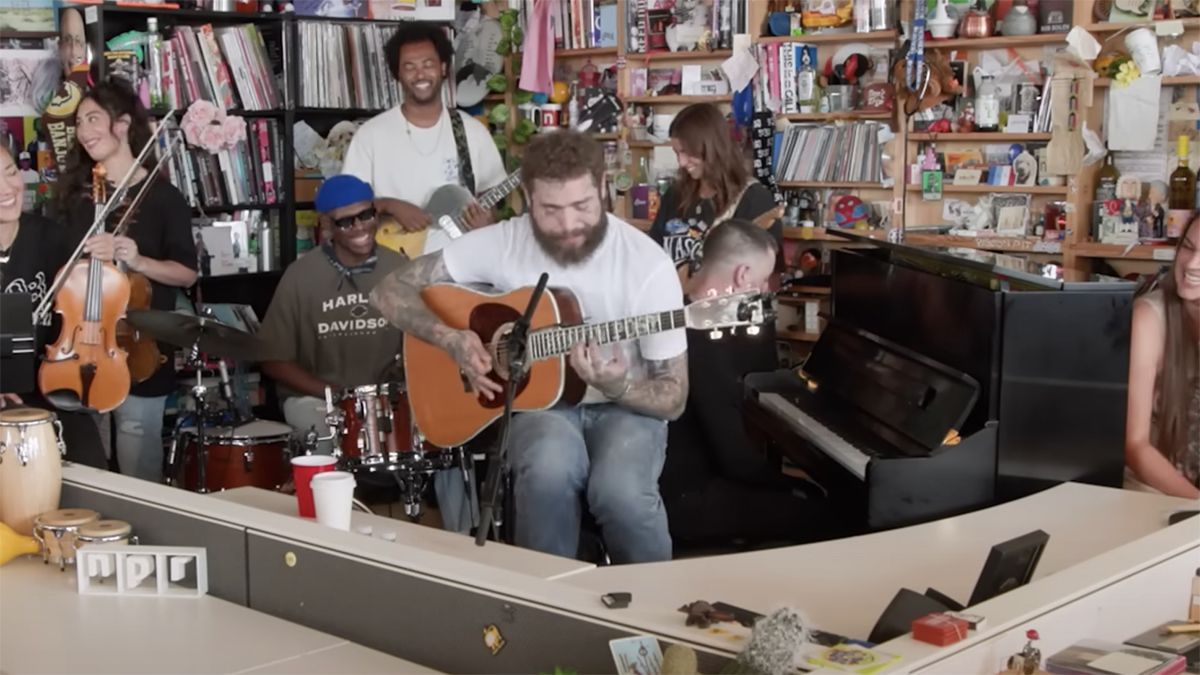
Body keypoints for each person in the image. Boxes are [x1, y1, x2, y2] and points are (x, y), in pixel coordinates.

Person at [370, 131, 688, 563]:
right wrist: (451, 339)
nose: (569, 224)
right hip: (543, 405)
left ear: (603, 188)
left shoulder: (647, 265)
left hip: (625, 406)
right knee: (546, 475)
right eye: (551, 210)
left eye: (582, 206)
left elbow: (673, 398)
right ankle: (547, 605)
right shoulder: (504, 241)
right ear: (527, 200)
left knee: (622, 494)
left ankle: (655, 612)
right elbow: (389, 290)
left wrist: (620, 387)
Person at [55, 80, 198, 482]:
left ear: (121, 124)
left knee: (139, 459)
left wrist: (138, 259)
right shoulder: (76, 197)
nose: (84, 131)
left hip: (139, 349)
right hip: (82, 346)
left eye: (93, 119)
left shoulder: (164, 197)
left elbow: (186, 272)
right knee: (87, 457)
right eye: (79, 122)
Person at [658, 220, 829, 548]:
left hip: (685, 481)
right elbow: (735, 459)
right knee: (825, 513)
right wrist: (796, 482)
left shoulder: (678, 313)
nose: (765, 290)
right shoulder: (703, 341)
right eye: (763, 280)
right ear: (741, 275)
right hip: (689, 499)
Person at [257, 175, 405, 454]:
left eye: (366, 215)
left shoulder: (398, 268)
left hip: (387, 398)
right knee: (329, 430)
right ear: (326, 226)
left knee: (445, 431)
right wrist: (338, 395)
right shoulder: (300, 276)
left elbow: (423, 342)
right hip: (315, 398)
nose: (360, 227)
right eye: (346, 221)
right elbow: (273, 360)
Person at [341, 21, 506, 256]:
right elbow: (346, 208)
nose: (420, 74)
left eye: (428, 64)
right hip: (392, 264)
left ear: (443, 67)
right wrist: (390, 205)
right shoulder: (370, 135)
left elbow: (493, 204)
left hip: (461, 269)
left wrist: (487, 223)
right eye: (409, 66)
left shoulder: (472, 132)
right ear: (398, 74)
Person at [0, 143, 107, 469]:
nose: (8, 189)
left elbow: (92, 309)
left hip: (54, 385)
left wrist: (107, 266)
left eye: (10, 173)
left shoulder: (54, 238)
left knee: (91, 465)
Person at [649, 102, 781, 288]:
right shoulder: (675, 195)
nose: (681, 162)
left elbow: (769, 280)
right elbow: (653, 256)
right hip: (674, 311)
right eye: (677, 153)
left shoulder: (755, 199)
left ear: (711, 148)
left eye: (687, 153)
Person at [1125, 213, 1200, 499]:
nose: (1192, 264)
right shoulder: (1148, 319)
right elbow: (1135, 446)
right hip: (1149, 495)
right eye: (1189, 247)